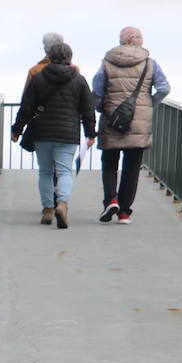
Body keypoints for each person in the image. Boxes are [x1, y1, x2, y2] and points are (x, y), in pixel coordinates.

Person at [10, 42, 96, 228]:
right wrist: (90, 133)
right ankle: (62, 204)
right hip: (67, 133)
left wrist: (17, 129)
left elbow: (27, 107)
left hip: (42, 133)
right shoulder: (79, 80)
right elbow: (88, 109)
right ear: (69, 57)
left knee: (46, 172)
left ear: (49, 56)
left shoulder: (39, 78)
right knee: (64, 171)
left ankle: (48, 210)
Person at [92, 26, 170, 225]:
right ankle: (125, 212)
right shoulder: (150, 63)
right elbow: (164, 88)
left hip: (112, 118)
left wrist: (103, 107)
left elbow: (97, 92)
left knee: (109, 161)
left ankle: (111, 200)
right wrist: (148, 105)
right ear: (139, 41)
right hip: (139, 120)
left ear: (121, 41)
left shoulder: (107, 62)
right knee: (132, 166)